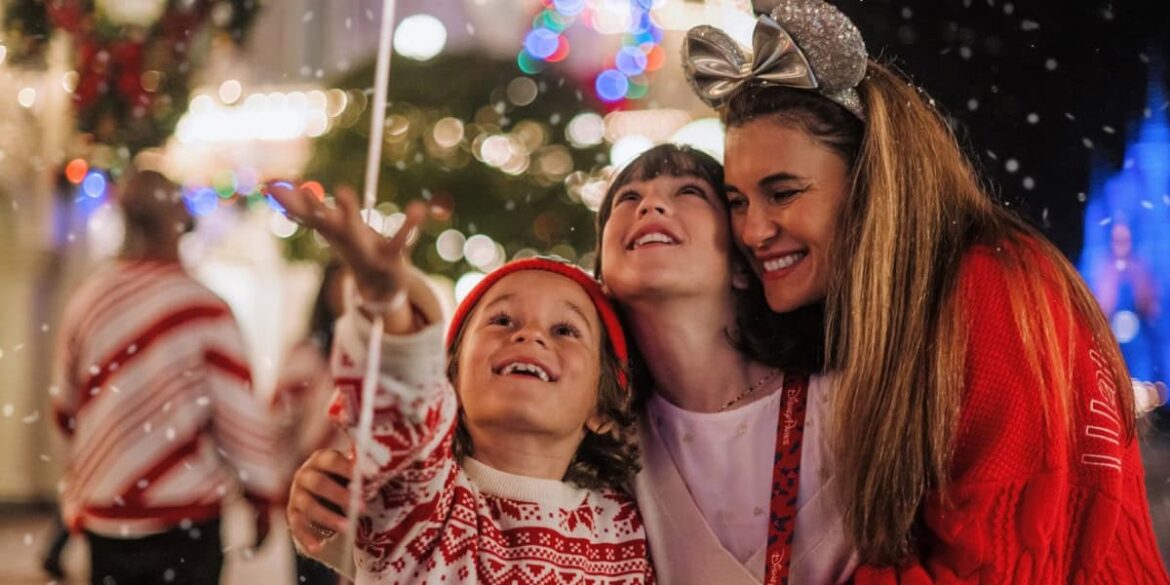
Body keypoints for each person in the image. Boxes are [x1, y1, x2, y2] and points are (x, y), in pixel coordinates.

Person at [684, 0, 1170, 580]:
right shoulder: (924, 299)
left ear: (873, 181)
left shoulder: (995, 288)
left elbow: (990, 565)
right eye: (737, 201)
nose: (753, 230)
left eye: (783, 192)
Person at [271, 185, 654, 584]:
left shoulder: (627, 527)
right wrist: (389, 300)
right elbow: (404, 406)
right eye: (502, 320)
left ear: (604, 409)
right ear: (450, 380)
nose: (531, 335)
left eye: (565, 329)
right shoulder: (424, 501)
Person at [51, 168, 282, 584]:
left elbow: (65, 408)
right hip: (185, 517)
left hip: (107, 514)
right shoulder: (204, 307)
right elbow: (237, 415)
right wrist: (261, 495)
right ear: (180, 220)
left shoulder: (87, 300)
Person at [271, 258, 350, 584]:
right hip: (314, 493)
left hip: (374, 501)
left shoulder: (388, 361)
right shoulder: (306, 357)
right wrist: (281, 485)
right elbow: (277, 426)